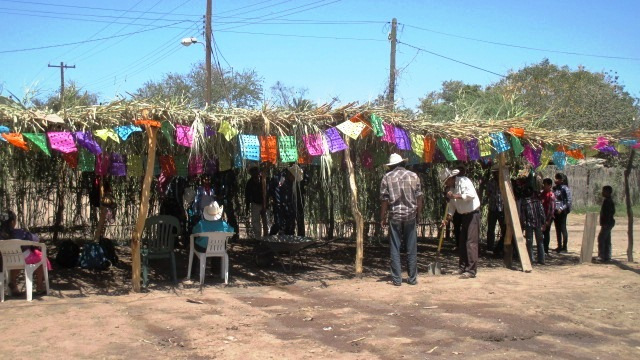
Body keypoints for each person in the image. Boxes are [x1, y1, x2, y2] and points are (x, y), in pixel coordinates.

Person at [380, 153, 423, 286]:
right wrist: (419, 214)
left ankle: (397, 279)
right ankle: (412, 279)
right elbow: (419, 198)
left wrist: (383, 217)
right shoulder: (413, 176)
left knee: (395, 247)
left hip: (395, 215)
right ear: (403, 163)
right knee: (411, 247)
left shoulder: (387, 177)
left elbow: (384, 201)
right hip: (410, 215)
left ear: (392, 166)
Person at [0, 210, 51, 296]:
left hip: (5, 261)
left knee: (17, 260)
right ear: (13, 222)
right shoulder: (19, 233)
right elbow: (35, 239)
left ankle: (13, 282)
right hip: (24, 259)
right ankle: (39, 286)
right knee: (41, 260)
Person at [441, 167, 480, 279]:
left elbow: (470, 195)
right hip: (464, 215)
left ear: (451, 178)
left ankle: (471, 270)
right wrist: (446, 220)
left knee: (471, 242)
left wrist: (454, 196)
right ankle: (462, 267)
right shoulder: (451, 189)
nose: (446, 184)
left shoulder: (464, 181)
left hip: (473, 213)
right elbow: (451, 208)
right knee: (462, 242)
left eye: (446, 181)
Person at [519, 185, 546, 265]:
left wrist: (523, 225)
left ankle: (531, 259)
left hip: (529, 224)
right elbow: (542, 213)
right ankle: (541, 259)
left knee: (529, 242)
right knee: (540, 242)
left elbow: (523, 216)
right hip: (538, 223)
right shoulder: (538, 201)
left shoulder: (524, 203)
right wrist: (543, 223)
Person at [485, 167, 505, 254]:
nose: (496, 174)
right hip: (493, 208)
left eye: (498, 173)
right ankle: (490, 247)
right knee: (491, 229)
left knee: (504, 228)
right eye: (495, 173)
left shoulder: (504, 182)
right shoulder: (491, 182)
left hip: (501, 208)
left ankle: (502, 246)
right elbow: (487, 193)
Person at [245, 166, 268, 239]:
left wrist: (266, 204)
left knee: (266, 221)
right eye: (253, 172)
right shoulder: (249, 183)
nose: (255, 173)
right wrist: (247, 207)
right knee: (255, 222)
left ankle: (266, 238)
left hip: (264, 204)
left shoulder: (263, 180)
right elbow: (247, 195)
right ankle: (258, 238)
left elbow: (268, 192)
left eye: (256, 171)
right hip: (255, 204)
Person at [553, 173, 572, 253]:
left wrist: (561, 208)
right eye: (555, 178)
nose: (556, 180)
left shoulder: (565, 189)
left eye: (558, 178)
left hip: (562, 211)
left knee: (563, 228)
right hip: (555, 211)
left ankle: (564, 247)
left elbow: (568, 201)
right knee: (557, 229)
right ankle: (559, 246)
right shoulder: (554, 188)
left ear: (562, 180)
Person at [597, 186, 615, 262]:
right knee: (607, 239)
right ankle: (607, 256)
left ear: (608, 192)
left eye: (604, 191)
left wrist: (605, 223)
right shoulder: (607, 200)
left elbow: (610, 213)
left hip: (607, 223)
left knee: (601, 238)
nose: (602, 192)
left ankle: (602, 256)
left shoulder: (608, 201)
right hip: (608, 223)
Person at [540, 178, 556, 255]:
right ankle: (541, 249)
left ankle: (545, 250)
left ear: (549, 186)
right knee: (541, 233)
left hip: (548, 217)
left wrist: (548, 220)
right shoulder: (541, 194)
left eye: (545, 185)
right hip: (541, 216)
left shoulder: (551, 195)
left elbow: (552, 209)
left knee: (546, 233)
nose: (544, 186)